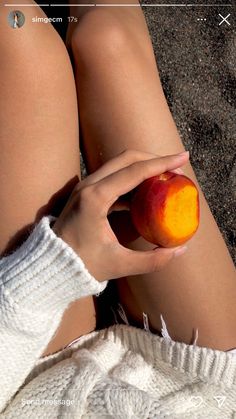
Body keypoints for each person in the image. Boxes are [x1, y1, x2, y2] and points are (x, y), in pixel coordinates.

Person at [0, 1, 235, 417]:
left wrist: (50, 271)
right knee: (107, 40)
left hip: (27, 385)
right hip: (199, 384)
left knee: (14, 35)